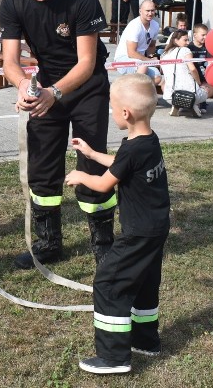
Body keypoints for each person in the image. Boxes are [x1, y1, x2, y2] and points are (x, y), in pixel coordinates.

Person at [0, 0, 114, 270]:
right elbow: (9, 61)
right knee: (43, 166)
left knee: (91, 164)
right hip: (45, 88)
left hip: (86, 87)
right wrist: (23, 86)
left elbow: (86, 63)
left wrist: (55, 93)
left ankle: (103, 243)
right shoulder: (13, 3)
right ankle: (48, 243)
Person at [64, 73, 170, 376]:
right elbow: (123, 164)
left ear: (126, 113)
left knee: (109, 283)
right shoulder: (148, 141)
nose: (111, 113)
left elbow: (103, 185)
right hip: (156, 227)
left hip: (138, 232)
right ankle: (145, 340)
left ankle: (113, 357)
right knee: (145, 283)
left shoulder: (134, 148)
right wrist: (90, 153)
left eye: (112, 108)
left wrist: (81, 175)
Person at [160, 30, 213, 117]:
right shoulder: (185, 50)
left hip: (169, 96)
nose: (188, 42)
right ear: (176, 40)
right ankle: (192, 105)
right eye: (185, 40)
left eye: (188, 40)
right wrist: (199, 82)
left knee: (164, 83)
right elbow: (192, 69)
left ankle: (177, 105)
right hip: (190, 95)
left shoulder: (163, 54)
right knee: (212, 86)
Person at [113, 0, 162, 85]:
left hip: (141, 60)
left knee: (158, 78)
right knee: (143, 67)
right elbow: (131, 53)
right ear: (140, 11)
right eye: (147, 11)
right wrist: (149, 61)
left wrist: (151, 57)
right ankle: (133, 91)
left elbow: (151, 46)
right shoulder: (135, 26)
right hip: (124, 58)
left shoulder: (155, 25)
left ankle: (134, 86)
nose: (150, 13)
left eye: (152, 10)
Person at [188, 23, 212, 113]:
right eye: (203, 35)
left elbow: (210, 61)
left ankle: (202, 103)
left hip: (204, 75)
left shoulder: (208, 47)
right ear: (195, 35)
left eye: (206, 35)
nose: (205, 37)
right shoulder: (189, 47)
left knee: (204, 88)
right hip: (192, 74)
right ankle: (192, 104)